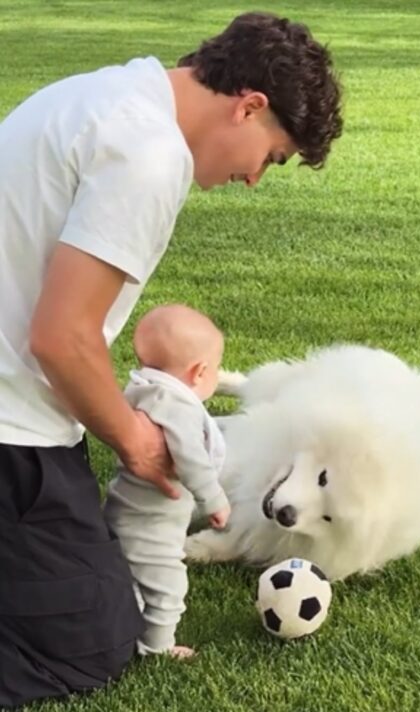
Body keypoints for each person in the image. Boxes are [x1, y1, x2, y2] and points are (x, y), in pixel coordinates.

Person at [0, 12, 342, 707]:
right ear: (250, 106)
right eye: (272, 157)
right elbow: (62, 338)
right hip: (12, 430)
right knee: (88, 647)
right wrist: (136, 439)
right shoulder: (149, 154)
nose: (254, 178)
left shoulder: (103, 95)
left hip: (23, 414)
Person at [103, 305, 230, 660]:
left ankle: (126, 625)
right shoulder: (176, 405)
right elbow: (189, 455)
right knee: (168, 587)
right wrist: (214, 499)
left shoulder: (142, 389)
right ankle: (156, 647)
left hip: (125, 508)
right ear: (199, 371)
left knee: (131, 577)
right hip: (153, 525)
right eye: (216, 368)